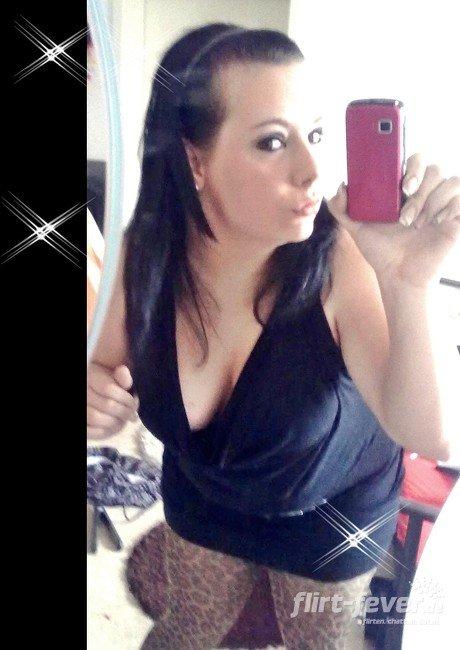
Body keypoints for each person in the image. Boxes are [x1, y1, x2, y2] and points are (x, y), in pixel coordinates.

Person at [87, 23, 460, 649]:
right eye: (272, 141)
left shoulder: (341, 259)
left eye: (315, 134)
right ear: (196, 161)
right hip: (205, 500)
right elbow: (100, 375)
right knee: (189, 631)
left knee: (321, 641)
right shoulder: (143, 259)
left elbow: (433, 436)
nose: (313, 171)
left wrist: (408, 285)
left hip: (331, 514)